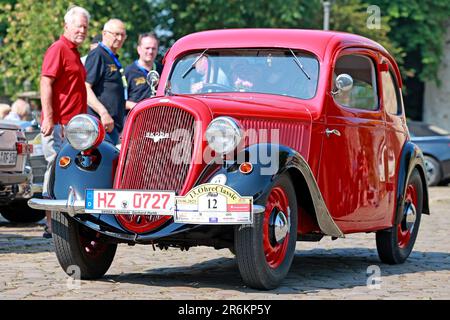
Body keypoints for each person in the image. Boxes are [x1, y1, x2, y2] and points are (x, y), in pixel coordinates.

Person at [40, 6, 90, 238]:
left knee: (67, 172)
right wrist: (50, 118)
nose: (82, 30)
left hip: (74, 127)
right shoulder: (58, 48)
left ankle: (63, 223)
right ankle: (50, 225)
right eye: (78, 25)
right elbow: (46, 83)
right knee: (54, 171)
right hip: (59, 125)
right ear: (66, 25)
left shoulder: (75, 53)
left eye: (85, 27)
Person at [84, 19, 127, 145]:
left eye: (122, 35)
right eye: (116, 34)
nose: (119, 38)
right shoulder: (97, 55)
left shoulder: (112, 58)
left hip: (113, 127)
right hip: (101, 126)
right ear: (104, 34)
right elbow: (85, 88)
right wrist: (103, 113)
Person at [125, 32, 162, 111]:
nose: (150, 52)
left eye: (154, 48)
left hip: (158, 119)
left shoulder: (162, 70)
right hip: (137, 120)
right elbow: (120, 101)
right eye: (147, 48)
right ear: (139, 49)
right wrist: (140, 107)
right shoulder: (129, 71)